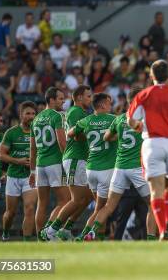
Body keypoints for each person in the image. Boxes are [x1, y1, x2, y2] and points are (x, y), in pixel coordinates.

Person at [127, 60, 168, 240]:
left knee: (156, 189)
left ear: (151, 76)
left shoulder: (143, 95)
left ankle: (163, 228)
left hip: (153, 143)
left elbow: (130, 120)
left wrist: (138, 126)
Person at [84, 87, 156, 241]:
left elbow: (107, 137)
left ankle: (91, 233)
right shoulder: (145, 119)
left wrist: (118, 138)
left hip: (120, 168)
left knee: (109, 206)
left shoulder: (119, 119)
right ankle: (151, 240)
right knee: (153, 204)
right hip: (137, 167)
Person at [44, 86, 93, 241]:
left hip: (80, 159)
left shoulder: (80, 112)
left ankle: (66, 228)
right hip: (75, 159)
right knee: (77, 199)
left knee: (88, 197)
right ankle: (50, 230)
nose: (90, 99)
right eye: (88, 96)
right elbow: (75, 133)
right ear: (78, 97)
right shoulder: (75, 112)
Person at [67, 93, 116, 241]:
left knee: (99, 208)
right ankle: (84, 236)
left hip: (91, 169)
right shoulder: (113, 119)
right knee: (102, 209)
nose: (110, 106)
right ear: (102, 105)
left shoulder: (86, 120)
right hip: (106, 169)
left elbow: (70, 133)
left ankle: (97, 238)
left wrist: (83, 137)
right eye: (109, 103)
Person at [31, 88, 69, 241]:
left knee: (42, 203)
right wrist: (68, 162)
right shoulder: (56, 116)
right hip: (55, 163)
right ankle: (48, 231)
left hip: (40, 165)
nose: (63, 101)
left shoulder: (36, 119)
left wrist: (32, 171)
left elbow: (32, 148)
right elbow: (61, 142)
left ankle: (41, 239)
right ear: (51, 100)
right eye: (60, 98)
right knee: (65, 201)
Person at [0, 102, 37, 241]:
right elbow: (0, 154)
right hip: (14, 176)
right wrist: (18, 161)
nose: (31, 116)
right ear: (21, 115)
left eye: (33, 113)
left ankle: (27, 243)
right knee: (10, 213)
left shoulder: (39, 133)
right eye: (28, 113)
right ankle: (5, 234)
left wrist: (35, 163)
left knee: (30, 208)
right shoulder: (11, 132)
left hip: (31, 176)